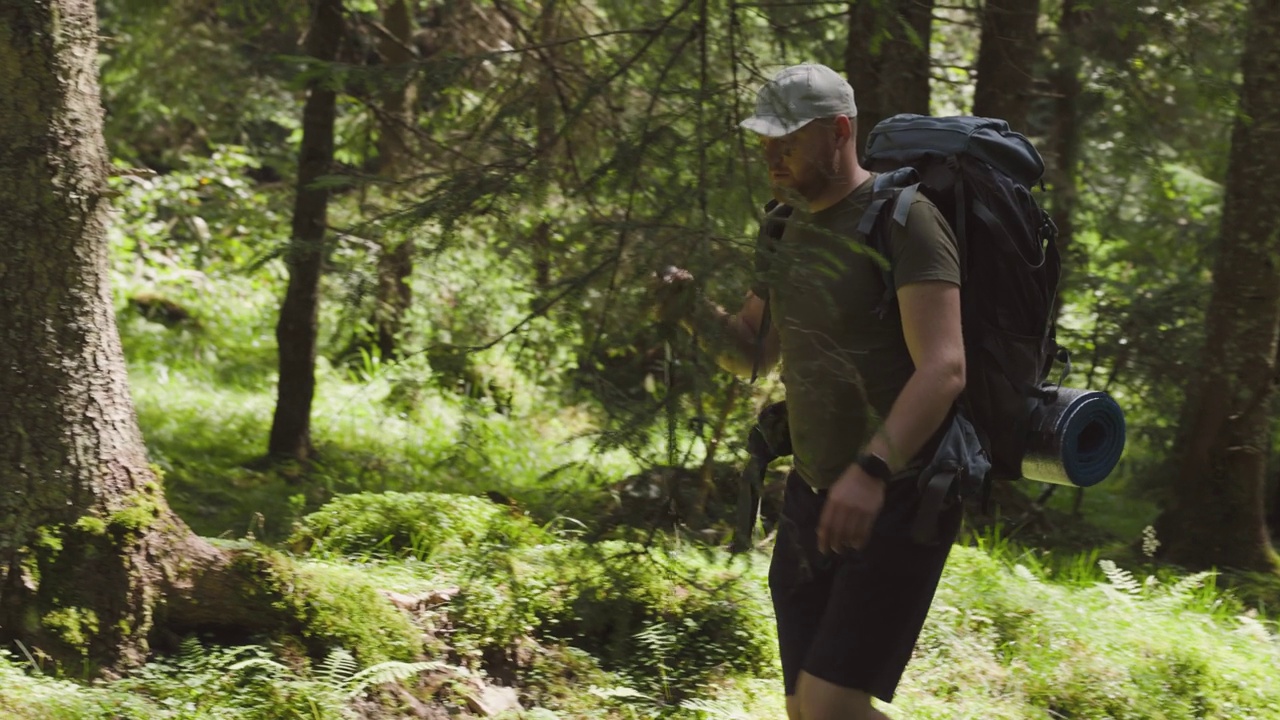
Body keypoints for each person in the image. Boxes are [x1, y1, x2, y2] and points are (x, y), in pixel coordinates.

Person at [655, 63, 967, 720]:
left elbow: (944, 367)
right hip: (812, 495)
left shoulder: (907, 221)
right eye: (765, 140)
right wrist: (690, 311)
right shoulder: (782, 227)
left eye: (788, 140)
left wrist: (872, 471)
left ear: (840, 132)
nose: (772, 154)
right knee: (808, 711)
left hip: (901, 495)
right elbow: (754, 352)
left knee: (828, 706)